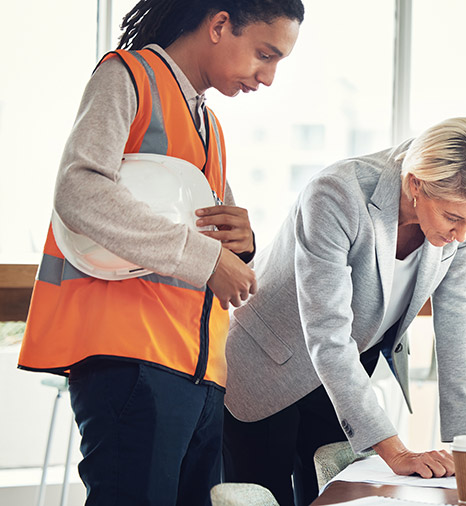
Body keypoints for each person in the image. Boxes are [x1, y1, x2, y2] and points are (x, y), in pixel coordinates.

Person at [17, 1, 304, 504]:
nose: (270, 77)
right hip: (132, 360)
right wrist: (208, 259)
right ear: (219, 25)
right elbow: (79, 190)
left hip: (202, 372)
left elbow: (206, 242)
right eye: (264, 54)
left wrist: (242, 243)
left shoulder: (209, 125)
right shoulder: (126, 76)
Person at [222, 117, 466, 506]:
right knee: (267, 495)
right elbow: (328, 335)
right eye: (454, 219)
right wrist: (396, 450)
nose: (463, 235)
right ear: (416, 184)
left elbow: (457, 331)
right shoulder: (337, 194)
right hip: (267, 367)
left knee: (341, 496)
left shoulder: (463, 218)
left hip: (343, 378)